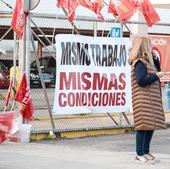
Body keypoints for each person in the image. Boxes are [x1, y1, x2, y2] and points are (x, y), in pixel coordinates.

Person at [128, 36, 166, 164]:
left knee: (151, 125)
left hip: (151, 100)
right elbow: (141, 81)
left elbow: (156, 72)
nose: (152, 47)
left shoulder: (148, 61)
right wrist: (156, 76)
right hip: (143, 99)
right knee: (143, 126)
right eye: (150, 45)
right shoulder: (139, 62)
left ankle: (145, 151)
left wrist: (156, 61)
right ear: (145, 46)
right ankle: (139, 153)